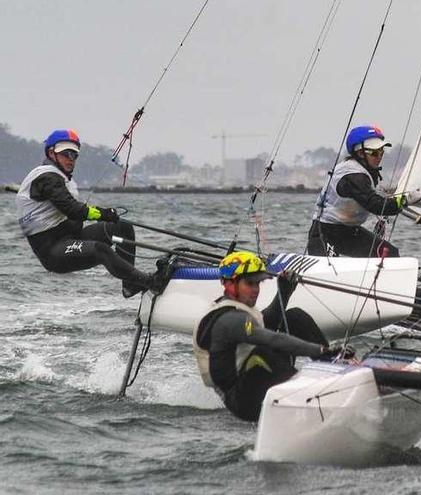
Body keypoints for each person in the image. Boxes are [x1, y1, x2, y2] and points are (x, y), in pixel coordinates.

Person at [193, 251, 348, 422]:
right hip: (240, 402)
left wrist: (284, 290)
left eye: (258, 284)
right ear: (229, 284)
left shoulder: (240, 310)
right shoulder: (231, 320)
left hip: (254, 384)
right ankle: (313, 397)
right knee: (262, 354)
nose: (255, 290)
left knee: (294, 317)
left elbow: (270, 320)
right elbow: (270, 338)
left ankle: (339, 373)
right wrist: (320, 350)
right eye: (249, 283)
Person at [15, 129, 159, 298]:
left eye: (74, 155)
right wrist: (103, 213)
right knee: (101, 250)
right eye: (65, 153)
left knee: (122, 228)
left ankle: (131, 285)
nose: (70, 159)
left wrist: (104, 215)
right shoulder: (47, 177)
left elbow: (71, 209)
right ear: (51, 153)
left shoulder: (60, 177)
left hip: (71, 237)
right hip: (53, 252)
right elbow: (73, 210)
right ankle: (149, 282)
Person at [307, 125, 421, 258]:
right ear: (360, 153)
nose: (379, 156)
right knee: (332, 268)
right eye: (374, 152)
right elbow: (375, 204)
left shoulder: (363, 171)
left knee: (389, 254)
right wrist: (404, 201)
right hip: (325, 233)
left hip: (349, 233)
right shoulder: (352, 175)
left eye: (381, 151)